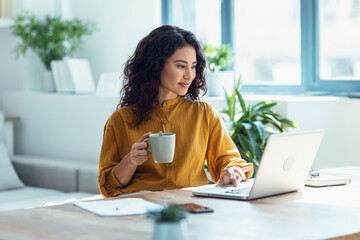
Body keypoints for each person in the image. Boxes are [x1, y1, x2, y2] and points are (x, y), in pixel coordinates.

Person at [98, 25, 253, 197]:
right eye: (181, 66)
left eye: (193, 66)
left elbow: (229, 160)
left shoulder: (204, 114)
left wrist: (231, 170)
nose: (189, 75)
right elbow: (108, 187)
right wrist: (131, 161)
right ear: (156, 66)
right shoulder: (120, 120)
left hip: (192, 208)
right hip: (139, 208)